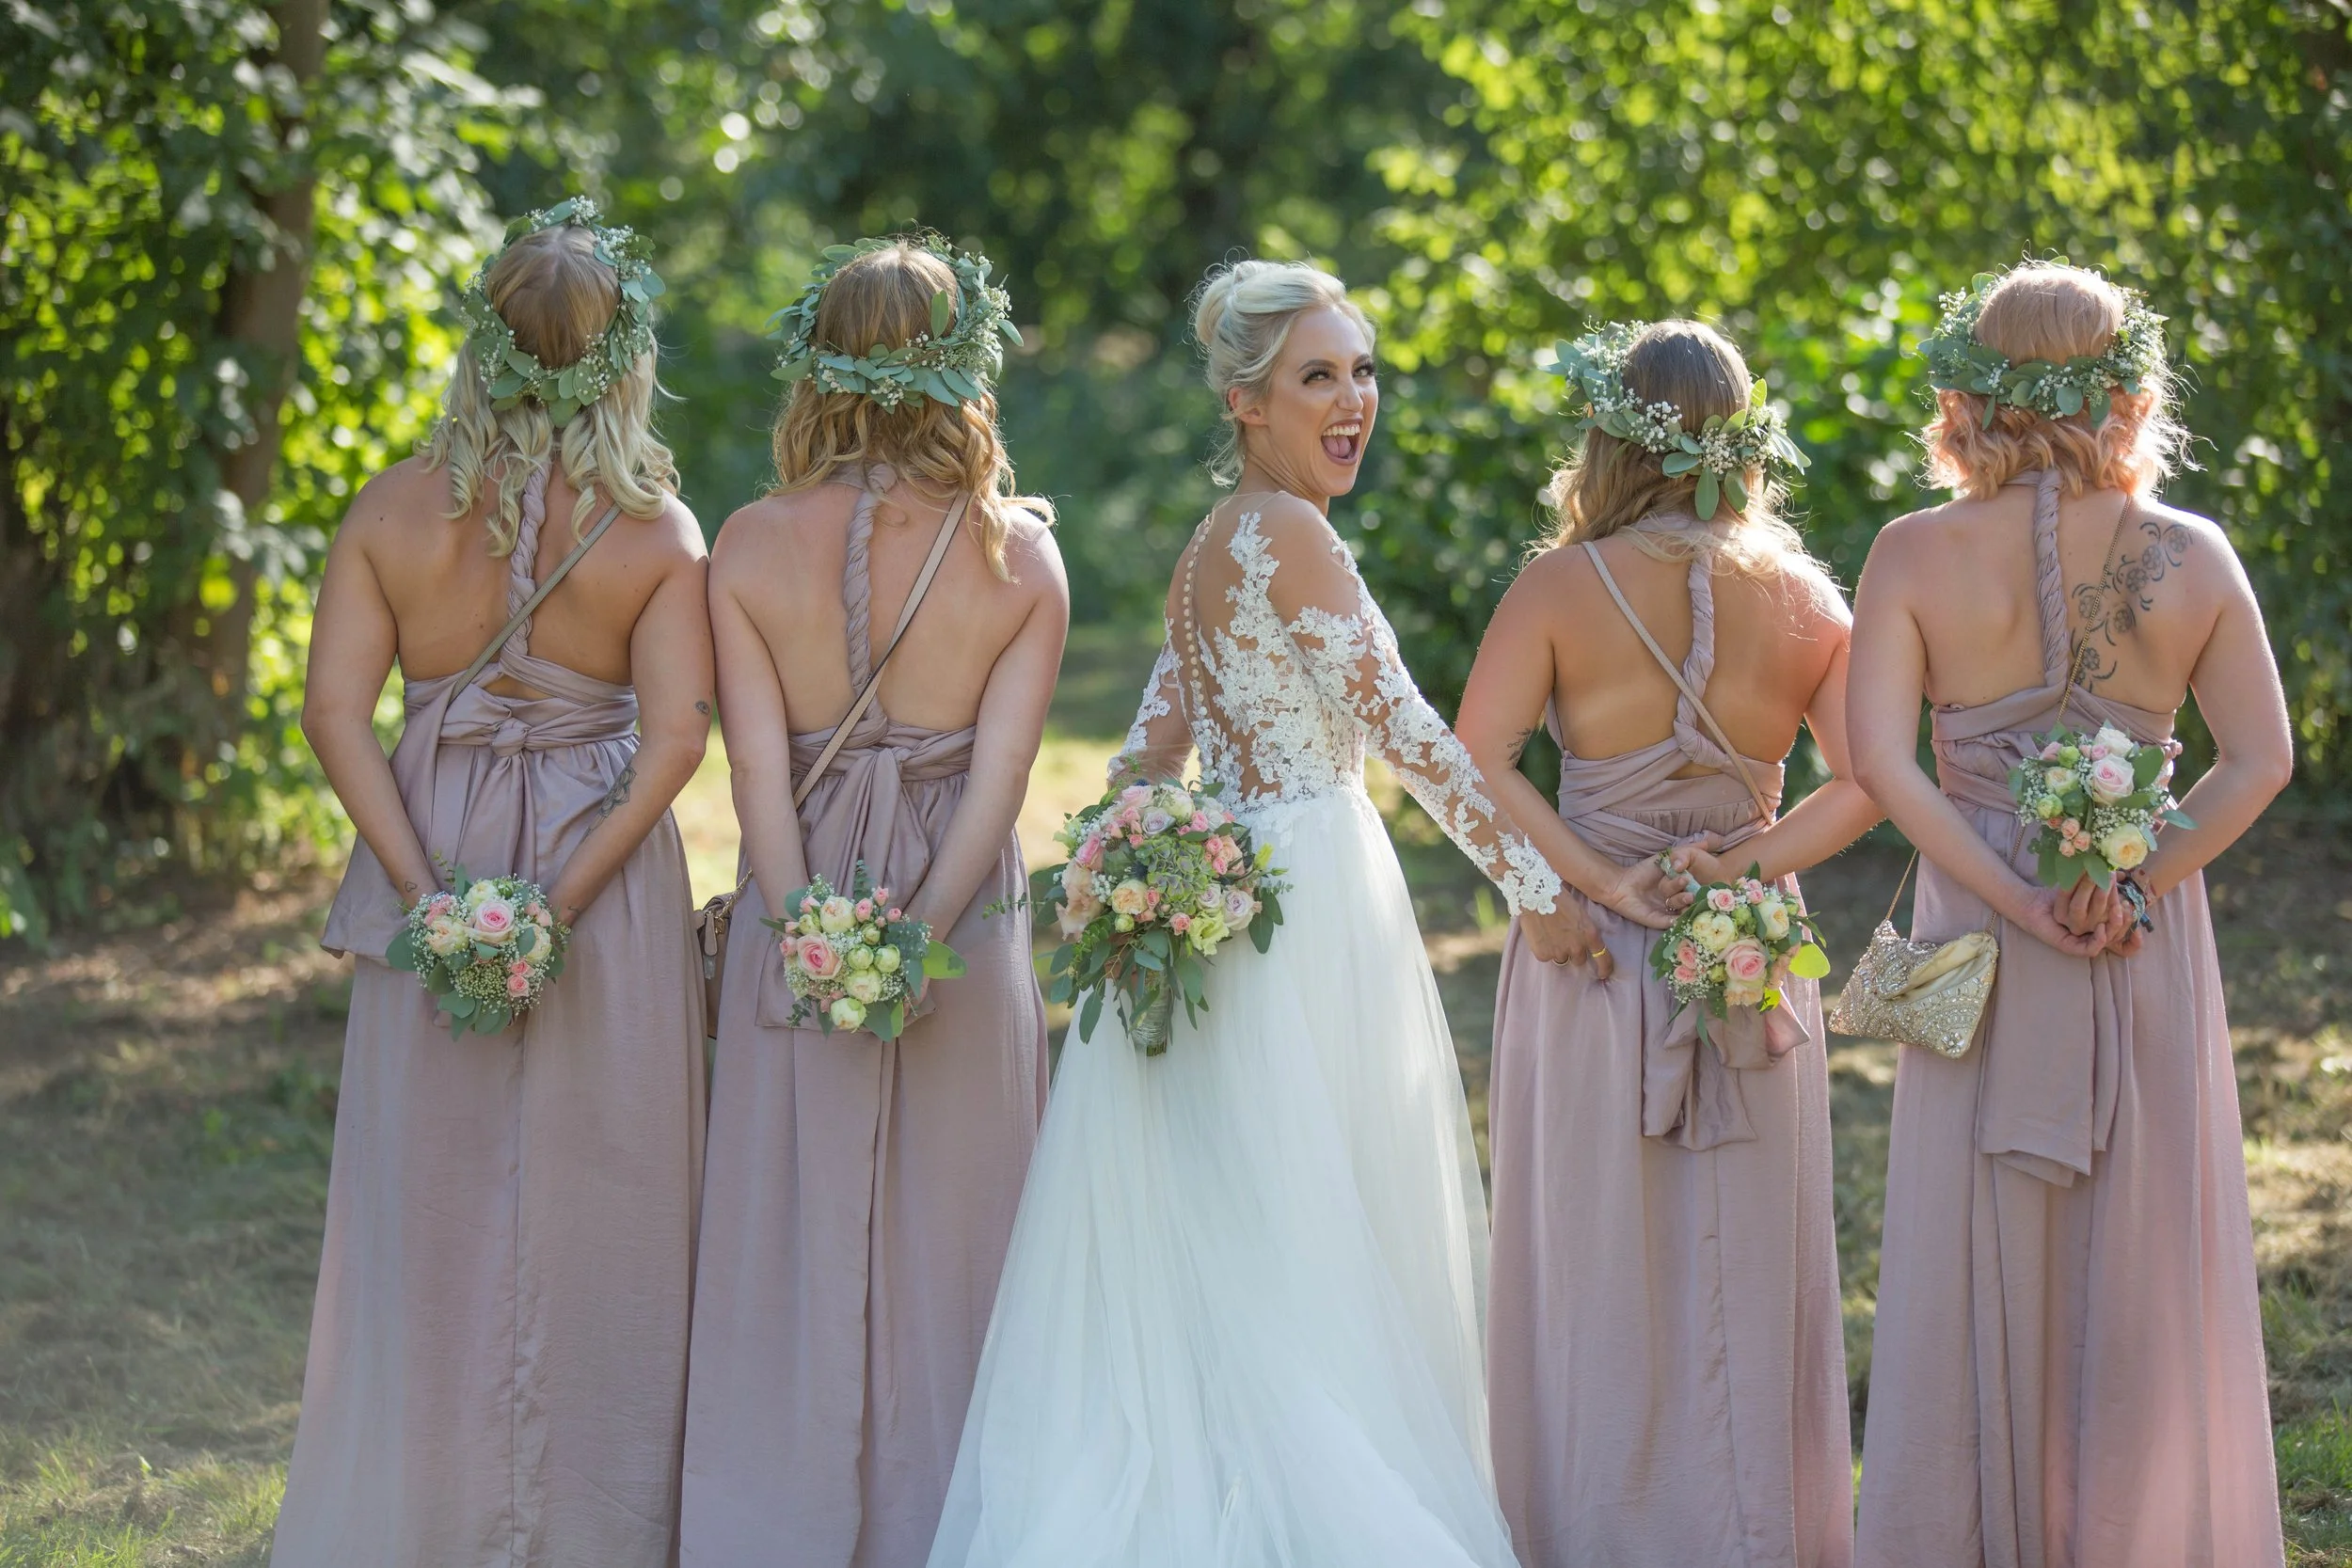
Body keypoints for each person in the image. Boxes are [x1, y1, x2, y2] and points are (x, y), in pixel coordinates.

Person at [927, 258, 1586, 1568]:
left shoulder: (1210, 543)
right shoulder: (1288, 534)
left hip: (1232, 901)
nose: (1357, 400)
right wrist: (1540, 890)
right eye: (1319, 377)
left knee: (1242, 1233)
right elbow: (1406, 729)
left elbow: (1138, 760)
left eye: (1363, 370)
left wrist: (1145, 864)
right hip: (1300, 907)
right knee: (1308, 1226)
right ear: (1245, 401)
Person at [278, 198, 711, 1567]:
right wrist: (564, 898)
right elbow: (680, 741)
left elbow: (332, 712)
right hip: (602, 858)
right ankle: (597, 1518)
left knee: (433, 1185)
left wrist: (428, 896)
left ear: (484, 342)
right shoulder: (659, 533)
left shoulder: (395, 509)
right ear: (623, 356)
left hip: (439, 834)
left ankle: (425, 1511)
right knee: (615, 1186)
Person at [1847, 261, 2292, 1568]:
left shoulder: (1914, 551)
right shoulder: (2190, 554)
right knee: (2142, 1237)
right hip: (2136, 927)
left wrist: (2010, 902)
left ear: (1972, 393)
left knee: (1973, 1235)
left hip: (1985, 931)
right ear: (2129, 390)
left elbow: (1884, 764)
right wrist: (2135, 874)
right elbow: (2258, 760)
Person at [1455, 320, 1874, 1568]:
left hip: (1591, 945)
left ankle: (1590, 1530)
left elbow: (1473, 760)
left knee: (1591, 1252)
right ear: (1745, 438)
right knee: (1749, 1256)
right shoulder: (1804, 598)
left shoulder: (1555, 586)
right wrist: (1740, 868)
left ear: (1609, 434)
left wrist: (1585, 878)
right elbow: (1864, 781)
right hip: (1745, 949)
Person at [679, 235, 1065, 1568]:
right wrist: (915, 935)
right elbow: (1001, 785)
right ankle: (945, 1523)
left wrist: (801, 933)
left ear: (816, 358)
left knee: (784, 1225)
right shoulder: (1023, 561)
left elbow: (756, 772)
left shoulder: (745, 542)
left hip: (801, 893)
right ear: (966, 363)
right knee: (959, 1234)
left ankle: (773, 1520)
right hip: (955, 915)